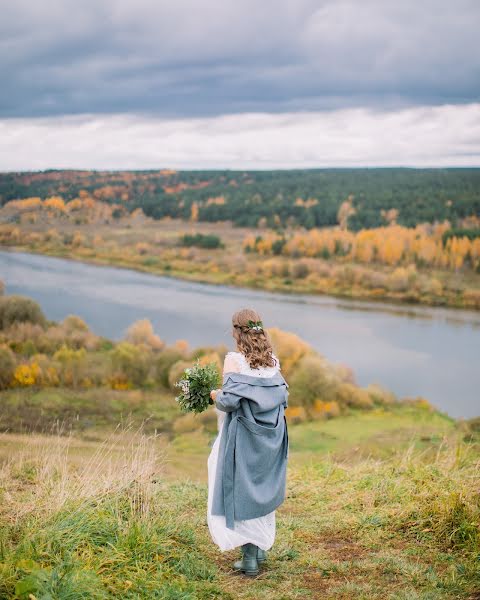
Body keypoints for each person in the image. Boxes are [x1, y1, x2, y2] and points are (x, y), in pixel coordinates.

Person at [208, 308, 289, 577]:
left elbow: (229, 402)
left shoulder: (234, 360)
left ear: (236, 331)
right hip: (271, 436)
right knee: (261, 488)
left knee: (242, 489)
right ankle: (260, 547)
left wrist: (213, 395)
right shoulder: (273, 362)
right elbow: (281, 397)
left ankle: (249, 559)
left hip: (243, 435)